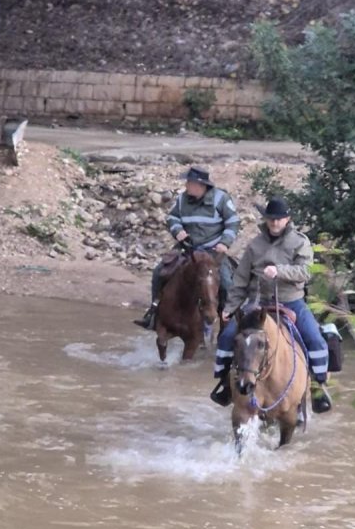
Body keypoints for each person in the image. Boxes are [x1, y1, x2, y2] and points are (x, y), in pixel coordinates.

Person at [210, 196, 332, 413]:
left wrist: (280, 271)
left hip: (291, 301)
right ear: (266, 220)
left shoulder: (300, 242)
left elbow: (305, 271)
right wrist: (230, 307)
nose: (275, 223)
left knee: (316, 339)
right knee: (228, 338)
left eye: (279, 219)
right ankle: (224, 385)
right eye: (271, 219)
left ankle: (317, 388)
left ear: (288, 219)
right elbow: (240, 279)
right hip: (258, 302)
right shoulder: (255, 245)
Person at [134, 166, 240, 329]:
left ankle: (227, 318)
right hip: (188, 248)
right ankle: (153, 313)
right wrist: (178, 231)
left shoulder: (221, 199)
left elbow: (233, 223)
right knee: (158, 273)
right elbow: (172, 217)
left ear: (200, 185)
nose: (186, 186)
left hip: (213, 251)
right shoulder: (182, 199)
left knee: (226, 282)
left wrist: (225, 243)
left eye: (189, 183)